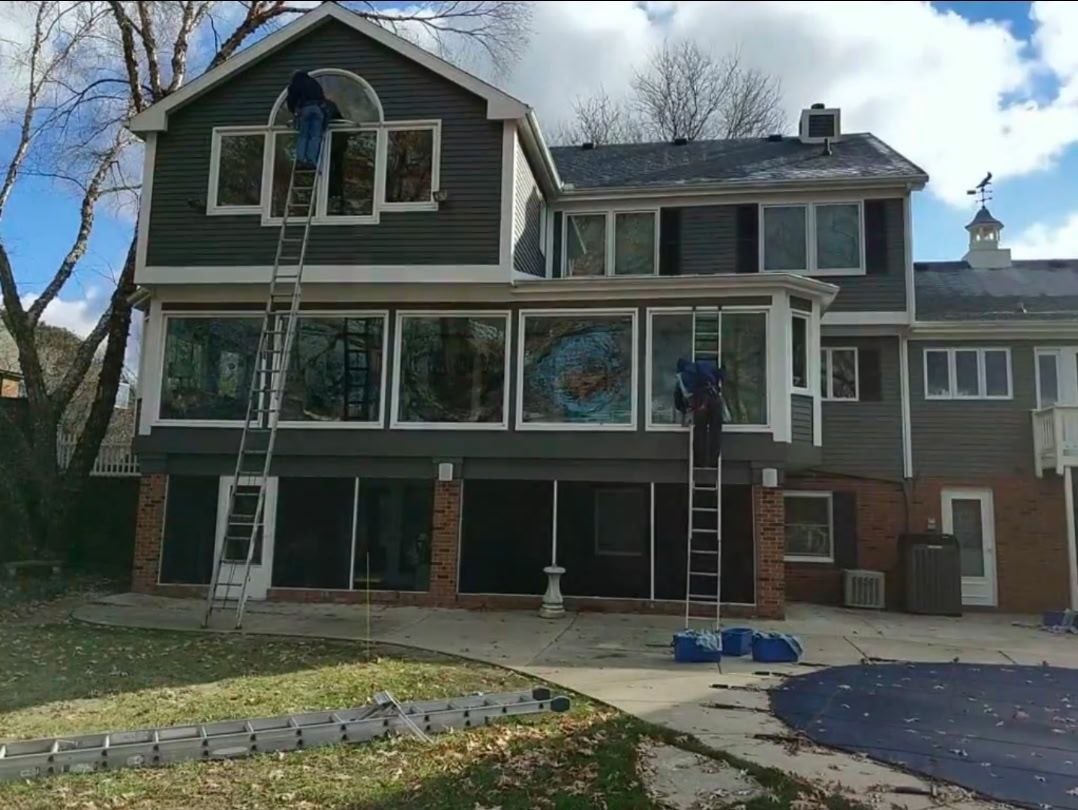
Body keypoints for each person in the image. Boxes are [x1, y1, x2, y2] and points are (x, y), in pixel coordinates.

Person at [675, 358, 725, 467]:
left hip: (700, 402)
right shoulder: (706, 368)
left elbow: (678, 398)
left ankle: (699, 461)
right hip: (715, 399)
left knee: (700, 431)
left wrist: (684, 409)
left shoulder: (683, 376)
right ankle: (714, 461)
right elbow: (721, 373)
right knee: (715, 430)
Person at [286, 70, 328, 168]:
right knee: (315, 136)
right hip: (318, 110)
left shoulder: (295, 84)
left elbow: (291, 99)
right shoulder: (314, 83)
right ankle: (311, 160)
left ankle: (301, 159)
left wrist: (294, 111)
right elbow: (322, 97)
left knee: (303, 136)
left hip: (305, 109)